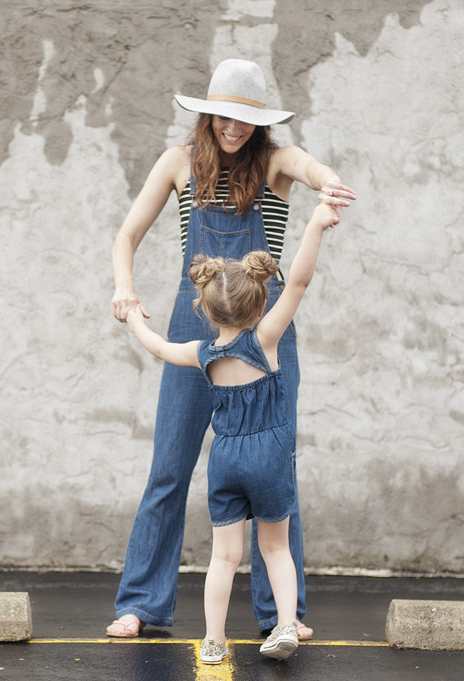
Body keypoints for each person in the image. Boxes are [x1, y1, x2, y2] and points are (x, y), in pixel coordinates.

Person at [107, 58, 356, 639]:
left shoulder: (273, 162)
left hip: (266, 333)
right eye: (225, 116)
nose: (234, 128)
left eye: (246, 119)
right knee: (169, 465)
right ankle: (141, 602)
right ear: (208, 113)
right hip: (194, 325)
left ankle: (282, 614)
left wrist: (327, 182)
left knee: (277, 469)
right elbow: (127, 234)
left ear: (260, 122)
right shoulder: (176, 163)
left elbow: (308, 165)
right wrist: (124, 286)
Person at [124, 195, 341, 663]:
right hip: (268, 454)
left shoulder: (203, 353)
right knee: (275, 547)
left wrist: (133, 320)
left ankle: (213, 640)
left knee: (223, 557)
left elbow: (160, 348)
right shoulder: (266, 340)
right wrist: (317, 225)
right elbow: (299, 280)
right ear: (262, 301)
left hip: (225, 459)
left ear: (203, 308)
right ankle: (284, 623)